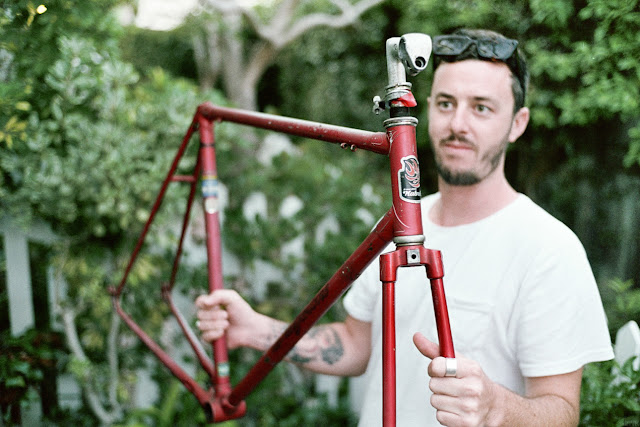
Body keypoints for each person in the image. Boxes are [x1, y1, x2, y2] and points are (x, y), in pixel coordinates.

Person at [195, 28, 614, 426]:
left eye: (481, 108)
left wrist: (495, 407)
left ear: (517, 123)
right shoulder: (398, 224)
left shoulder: (549, 248)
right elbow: (356, 345)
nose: (458, 124)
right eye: (446, 103)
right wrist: (258, 329)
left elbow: (563, 411)